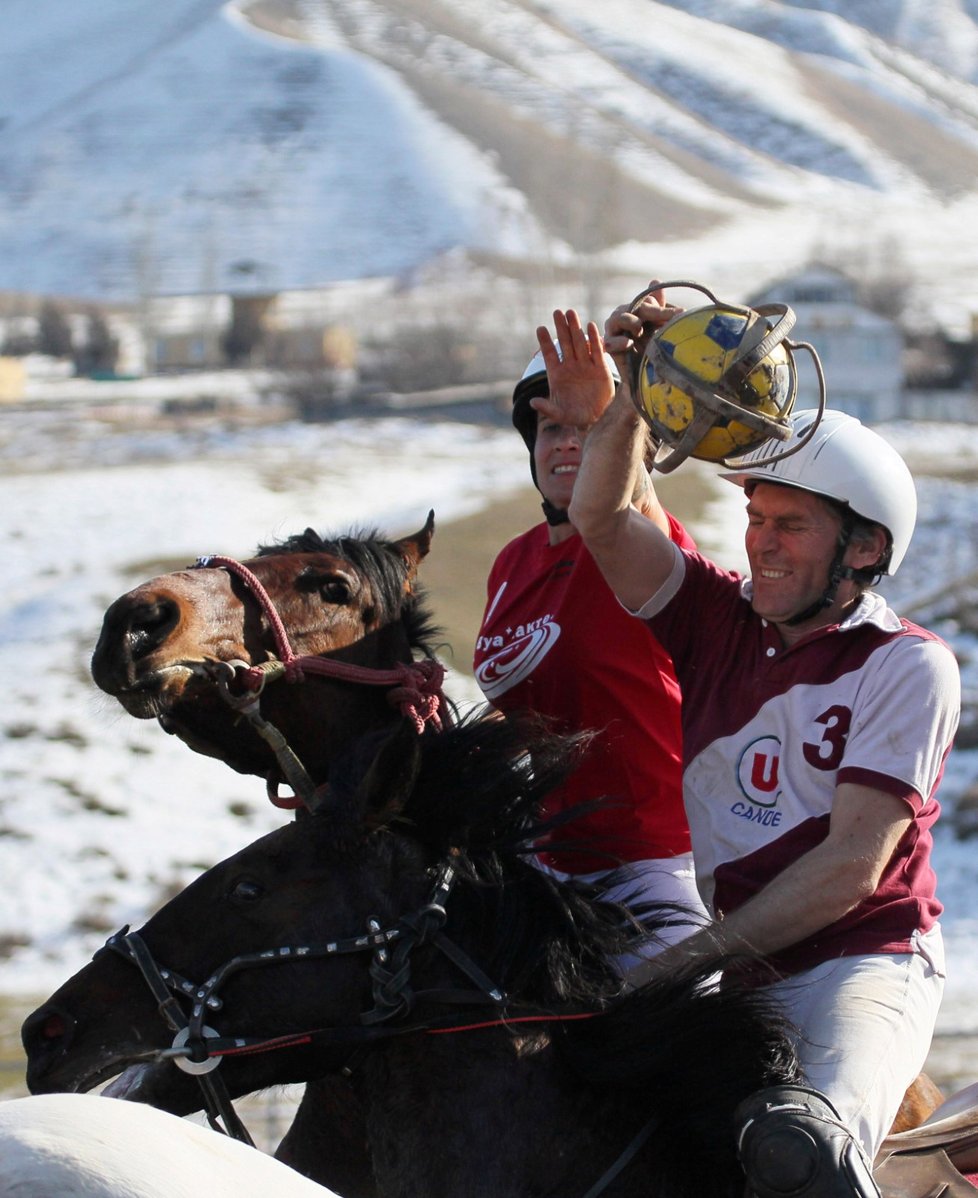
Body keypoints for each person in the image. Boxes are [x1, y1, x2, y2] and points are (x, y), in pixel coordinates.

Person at [529, 300, 960, 1178]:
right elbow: (604, 519)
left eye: (790, 525)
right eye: (757, 520)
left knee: (802, 1153)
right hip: (750, 972)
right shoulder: (715, 618)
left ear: (866, 550)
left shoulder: (910, 666)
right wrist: (626, 407)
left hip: (862, 968)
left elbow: (849, 870)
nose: (761, 543)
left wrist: (690, 959)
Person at [473, 340, 708, 964]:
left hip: (650, 865)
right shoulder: (513, 561)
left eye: (587, 429)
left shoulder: (639, 544)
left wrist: (621, 412)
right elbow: (526, 704)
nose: (566, 443)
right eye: (551, 428)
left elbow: (631, 505)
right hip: (545, 861)